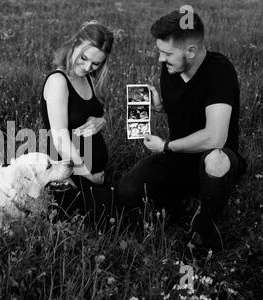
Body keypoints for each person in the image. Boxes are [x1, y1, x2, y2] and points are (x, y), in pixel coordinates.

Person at [118, 10, 247, 251]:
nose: (160, 59)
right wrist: (161, 107)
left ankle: (203, 229)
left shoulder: (219, 70)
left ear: (191, 50)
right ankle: (184, 204)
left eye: (166, 53)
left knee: (215, 160)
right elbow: (190, 108)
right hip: (180, 158)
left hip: (215, 157)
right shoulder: (171, 69)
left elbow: (214, 137)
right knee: (128, 189)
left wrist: (165, 146)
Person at [40, 21, 115, 231]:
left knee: (126, 205)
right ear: (74, 44)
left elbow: (91, 114)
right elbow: (60, 137)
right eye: (84, 58)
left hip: (91, 175)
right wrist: (88, 174)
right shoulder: (59, 81)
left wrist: (102, 121)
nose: (88, 66)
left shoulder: (88, 78)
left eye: (96, 63)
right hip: (70, 174)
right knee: (113, 220)